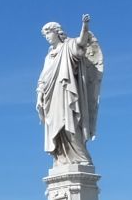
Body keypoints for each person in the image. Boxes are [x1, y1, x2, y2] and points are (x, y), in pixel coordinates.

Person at [37, 14, 103, 166]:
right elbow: (43, 78)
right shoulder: (48, 57)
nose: (47, 36)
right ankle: (61, 158)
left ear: (57, 32)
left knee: (69, 124)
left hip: (66, 92)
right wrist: (39, 95)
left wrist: (85, 26)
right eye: (44, 34)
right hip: (51, 96)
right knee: (57, 128)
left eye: (48, 32)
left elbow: (81, 42)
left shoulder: (68, 46)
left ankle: (82, 158)